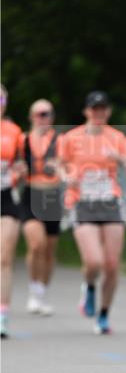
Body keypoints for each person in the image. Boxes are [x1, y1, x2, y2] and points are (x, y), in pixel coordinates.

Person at [58, 91, 126, 334]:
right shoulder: (70, 138)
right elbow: (59, 167)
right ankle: (89, 287)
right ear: (86, 111)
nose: (99, 113)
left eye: (103, 109)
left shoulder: (117, 138)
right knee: (94, 261)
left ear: (108, 111)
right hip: (82, 202)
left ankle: (103, 315)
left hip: (110, 202)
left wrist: (123, 160)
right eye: (94, 109)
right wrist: (68, 177)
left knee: (112, 264)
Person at [21, 99, 62, 316]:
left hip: (53, 196)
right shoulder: (23, 140)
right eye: (39, 114)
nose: (43, 118)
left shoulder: (60, 141)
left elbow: (71, 165)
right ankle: (33, 288)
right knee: (36, 244)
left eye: (47, 114)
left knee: (48, 249)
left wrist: (62, 167)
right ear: (31, 117)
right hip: (31, 193)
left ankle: (42, 293)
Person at [1, 84, 28, 339]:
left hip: (6, 197)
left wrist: (21, 170)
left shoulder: (14, 132)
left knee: (5, 257)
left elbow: (22, 162)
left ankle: (2, 316)